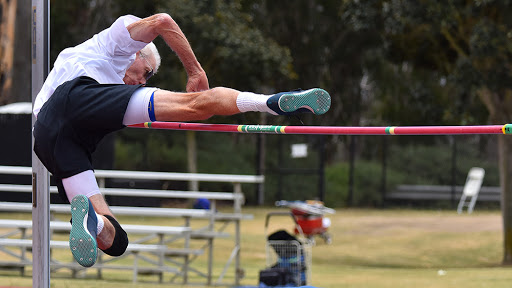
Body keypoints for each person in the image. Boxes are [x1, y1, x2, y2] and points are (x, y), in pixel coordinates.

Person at [33, 13, 331, 268]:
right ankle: (270, 102)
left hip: (51, 139)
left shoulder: (108, 89)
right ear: (137, 53)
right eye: (146, 73)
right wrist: (195, 70)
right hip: (73, 99)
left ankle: (90, 220)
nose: (142, 81)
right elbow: (163, 21)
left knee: (115, 241)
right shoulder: (113, 44)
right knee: (196, 105)